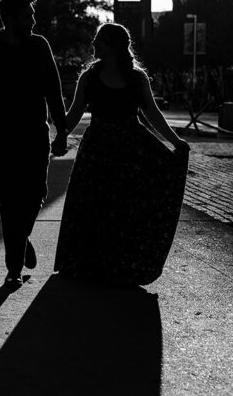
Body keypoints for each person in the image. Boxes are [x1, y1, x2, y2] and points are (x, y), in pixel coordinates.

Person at [53, 22, 190, 286]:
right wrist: (60, 136)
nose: (94, 45)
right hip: (97, 151)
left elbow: (152, 113)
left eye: (99, 41)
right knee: (93, 205)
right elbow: (74, 114)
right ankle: (88, 263)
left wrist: (175, 141)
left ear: (113, 46)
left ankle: (123, 264)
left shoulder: (137, 78)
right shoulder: (89, 78)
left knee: (126, 208)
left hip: (132, 153)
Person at [0, 0, 69, 287]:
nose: (33, 21)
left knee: (36, 192)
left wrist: (62, 130)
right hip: (0, 134)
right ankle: (13, 268)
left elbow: (53, 89)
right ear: (10, 20)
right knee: (10, 198)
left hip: (35, 132)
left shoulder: (39, 46)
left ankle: (19, 238)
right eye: (27, 16)